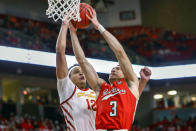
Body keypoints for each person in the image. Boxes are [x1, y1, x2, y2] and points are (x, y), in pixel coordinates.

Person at [69, 9, 152, 130]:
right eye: (113, 68)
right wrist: (72, 32)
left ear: (126, 73)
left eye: (118, 68)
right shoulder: (101, 87)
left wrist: (99, 27)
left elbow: (120, 53)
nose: (114, 69)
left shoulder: (131, 84)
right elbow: (82, 60)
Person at [56, 21, 96, 131]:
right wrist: (65, 25)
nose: (81, 73)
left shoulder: (95, 92)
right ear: (68, 79)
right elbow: (60, 52)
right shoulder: (67, 89)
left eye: (83, 71)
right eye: (76, 72)